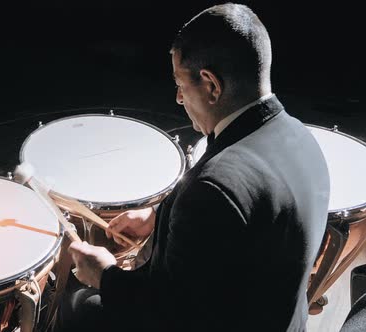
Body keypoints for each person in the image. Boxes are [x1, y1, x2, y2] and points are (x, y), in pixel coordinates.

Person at [53, 3, 330, 331]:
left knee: (78, 304)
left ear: (212, 85)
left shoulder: (213, 190)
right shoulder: (300, 137)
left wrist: (104, 275)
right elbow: (248, 231)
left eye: (182, 86)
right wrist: (159, 218)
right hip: (275, 315)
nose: (178, 99)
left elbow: (172, 318)